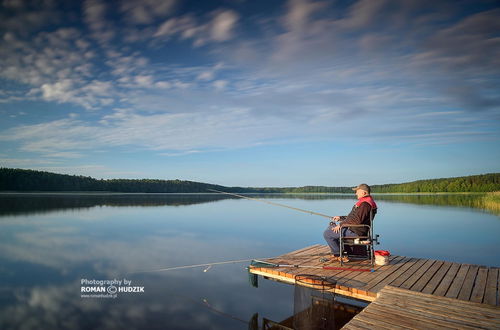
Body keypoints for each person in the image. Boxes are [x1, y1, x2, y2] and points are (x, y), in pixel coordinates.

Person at [323, 183, 377, 262]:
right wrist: (341, 218)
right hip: (355, 229)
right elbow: (354, 217)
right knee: (330, 227)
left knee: (327, 233)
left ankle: (339, 255)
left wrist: (341, 225)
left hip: (356, 231)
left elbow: (356, 220)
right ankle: (338, 253)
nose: (356, 193)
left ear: (364, 192)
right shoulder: (365, 202)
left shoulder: (365, 204)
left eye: (357, 192)